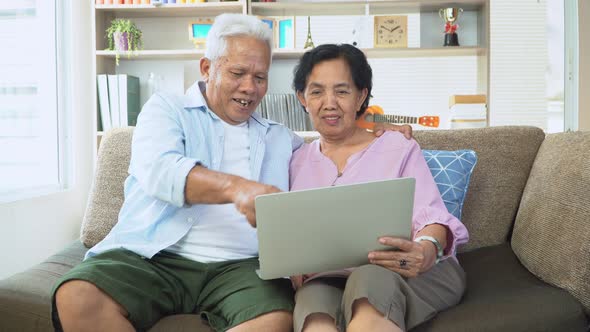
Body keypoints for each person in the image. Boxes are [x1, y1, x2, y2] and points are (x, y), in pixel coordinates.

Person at [52, 15, 412, 332]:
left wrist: (376, 125)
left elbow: (330, 144)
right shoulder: (167, 110)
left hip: (242, 269)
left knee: (273, 321)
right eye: (238, 73)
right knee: (77, 297)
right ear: (207, 68)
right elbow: (161, 170)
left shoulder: (278, 137)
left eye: (260, 77)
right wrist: (237, 188)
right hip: (152, 256)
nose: (250, 88)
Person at [289, 43, 469, 332]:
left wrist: (427, 248)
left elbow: (431, 215)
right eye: (317, 91)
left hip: (400, 271)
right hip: (327, 277)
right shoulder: (295, 159)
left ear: (361, 96)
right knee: (313, 307)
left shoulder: (396, 146)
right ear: (302, 98)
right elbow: (285, 229)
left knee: (368, 279)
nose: (329, 102)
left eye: (342, 91)